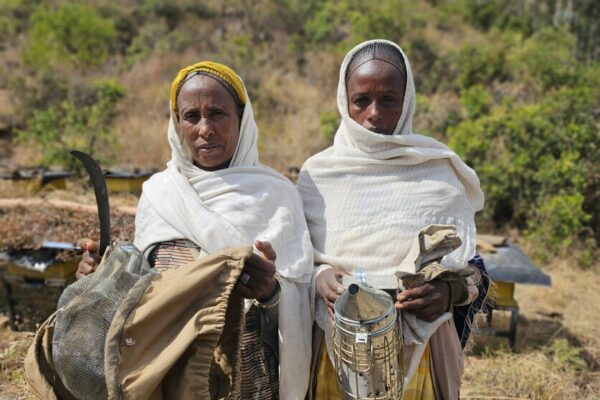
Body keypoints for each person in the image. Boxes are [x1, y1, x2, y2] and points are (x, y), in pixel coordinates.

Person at [76, 61, 314, 399]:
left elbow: (304, 303)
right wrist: (98, 279)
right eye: (191, 116)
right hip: (172, 376)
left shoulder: (277, 195)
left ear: (242, 119)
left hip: (253, 382)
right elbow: (140, 295)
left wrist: (271, 293)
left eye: (217, 113)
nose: (205, 129)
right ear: (176, 122)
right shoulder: (160, 193)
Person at [298, 40, 486, 400]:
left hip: (421, 352)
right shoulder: (319, 176)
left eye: (388, 100)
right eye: (361, 100)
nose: (374, 114)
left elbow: (472, 270)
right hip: (337, 352)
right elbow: (295, 264)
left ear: (407, 100)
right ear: (343, 100)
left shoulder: (439, 173)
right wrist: (318, 277)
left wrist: (446, 293)